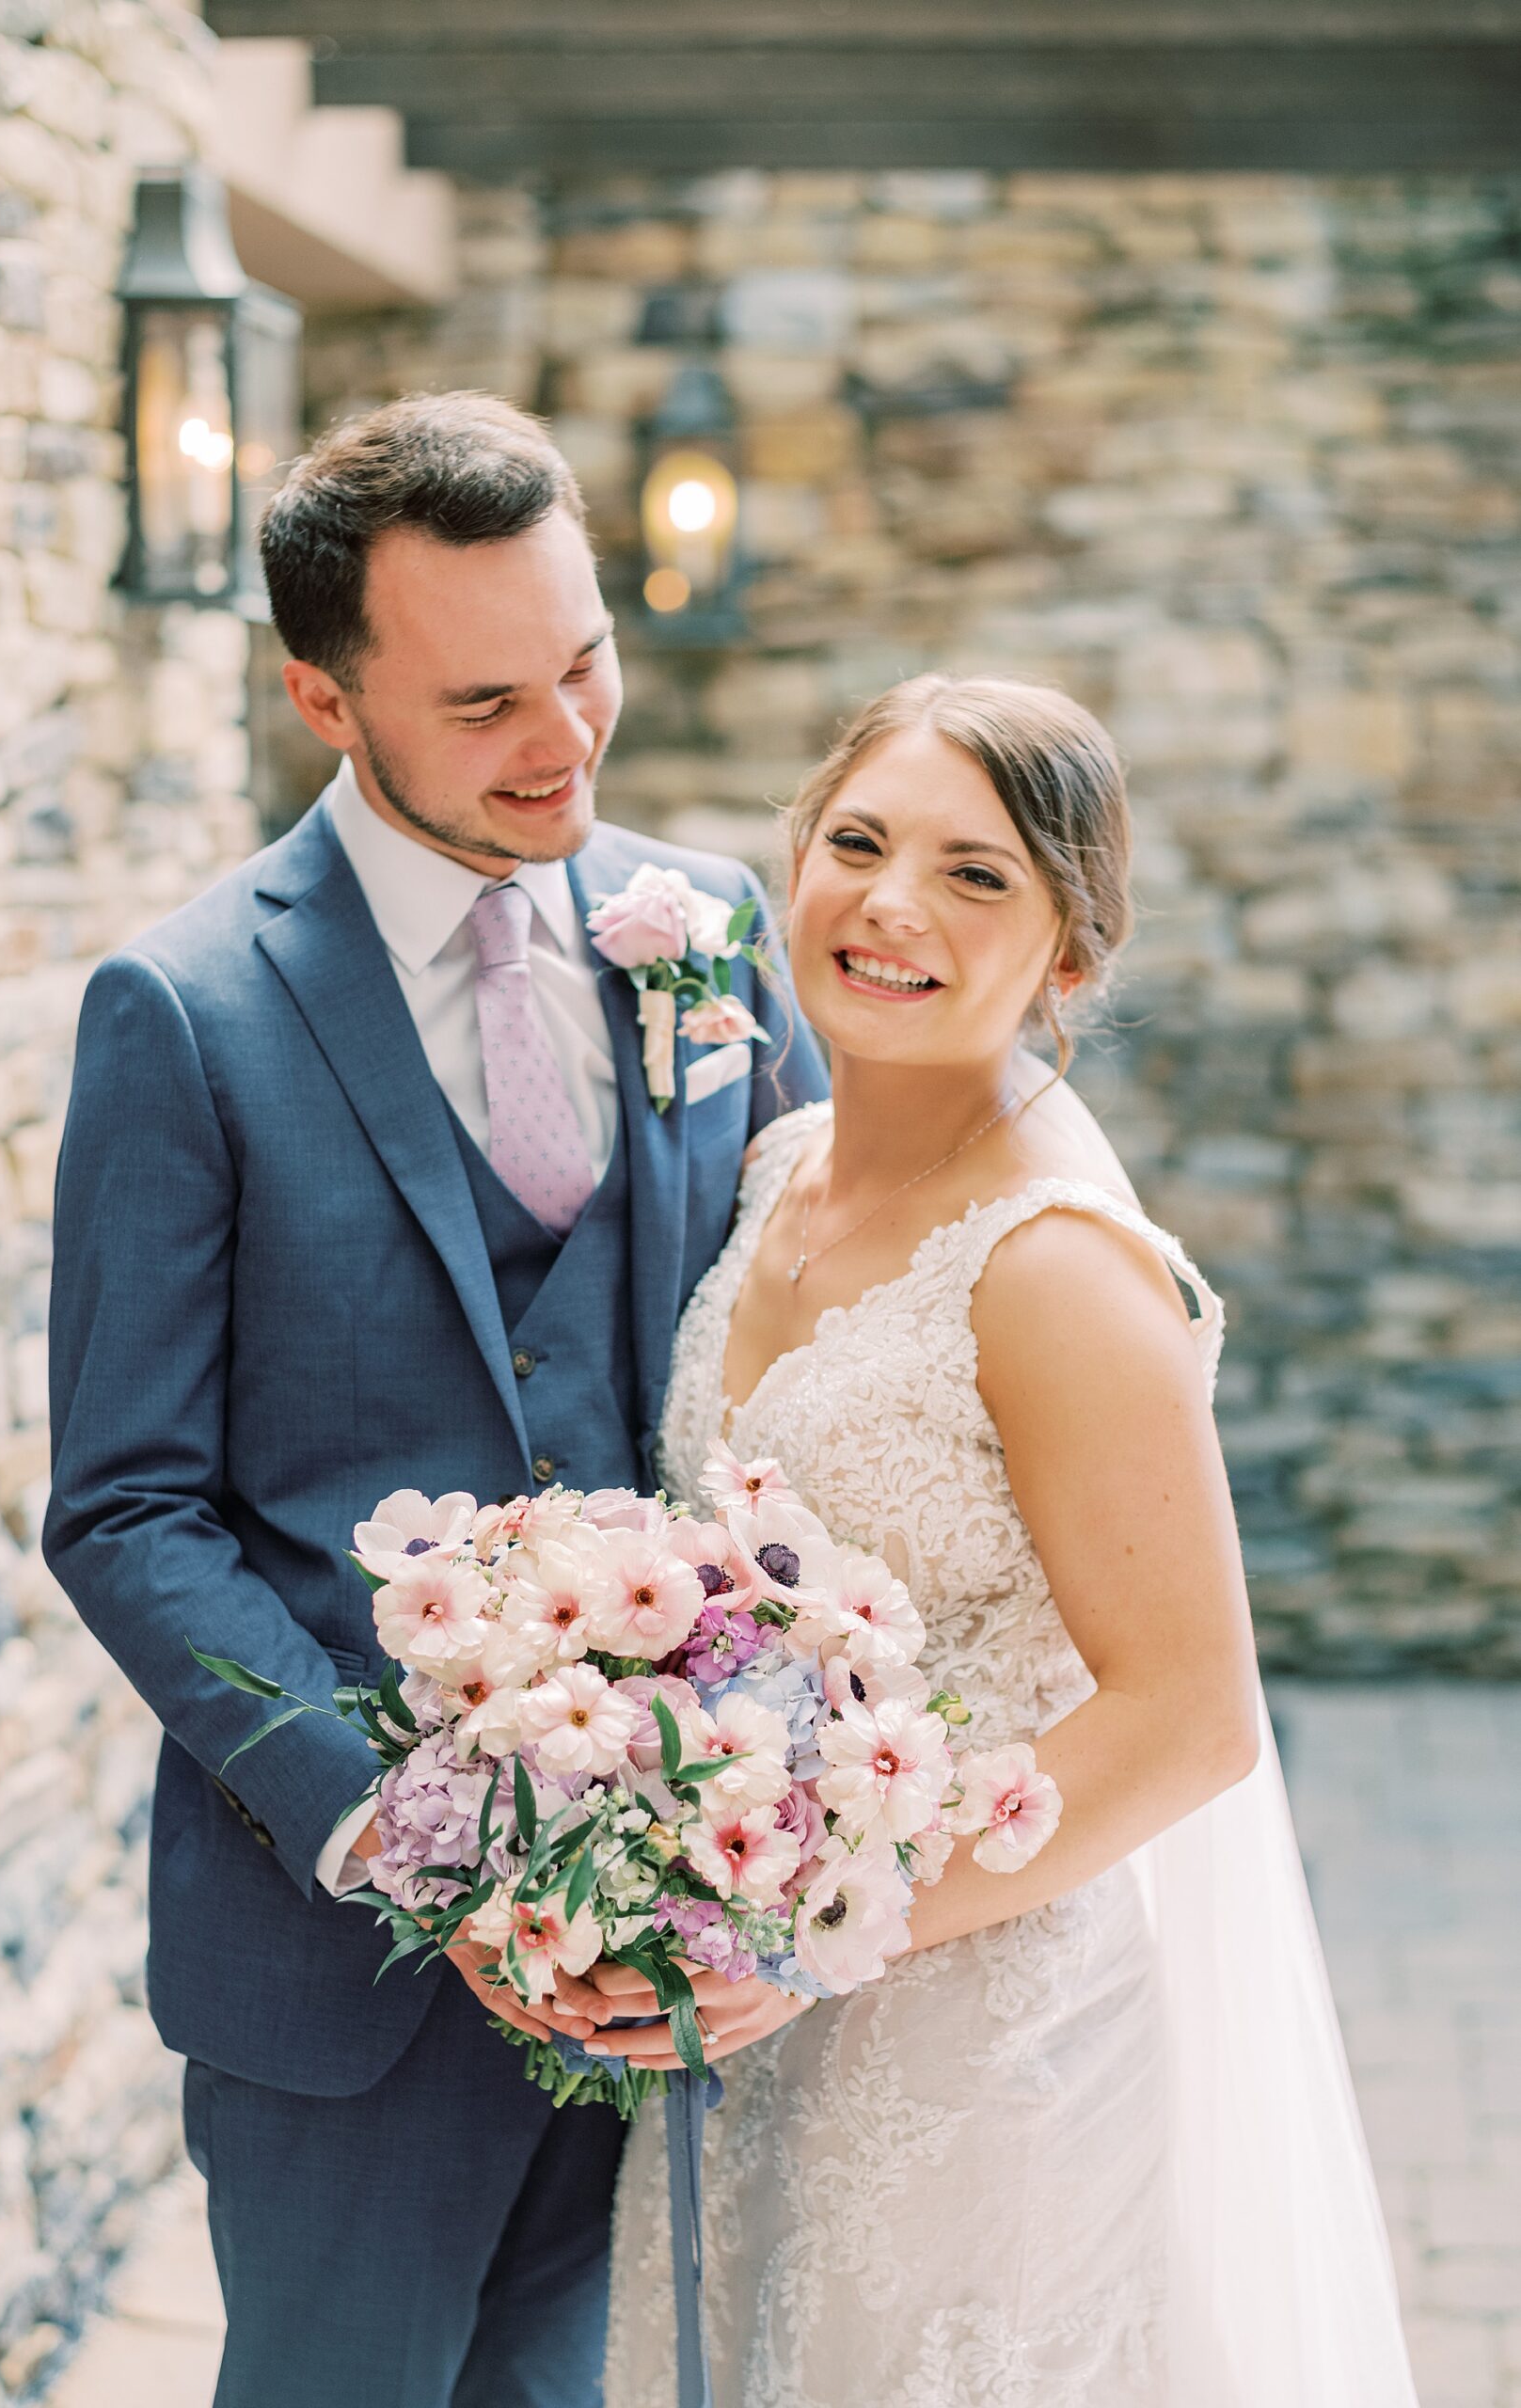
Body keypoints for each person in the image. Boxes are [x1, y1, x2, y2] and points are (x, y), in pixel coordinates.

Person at [41, 391, 826, 2408]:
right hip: (346, 1981)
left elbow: (817, 1380)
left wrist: (779, 1801)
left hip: (691, 1934)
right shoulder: (187, 1010)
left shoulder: (709, 938)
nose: (565, 737)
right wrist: (393, 1825)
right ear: (325, 695)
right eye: (483, 700)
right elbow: (129, 1507)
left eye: (585, 659)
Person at [599, 674, 1420, 2406]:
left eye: (978, 877)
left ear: (1067, 955)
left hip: (984, 2048)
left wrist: (818, 1925)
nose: (893, 904)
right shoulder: (782, 1171)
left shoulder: (1053, 1264)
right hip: (773, 2021)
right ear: (795, 861)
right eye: (860, 842)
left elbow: (1189, 1716)